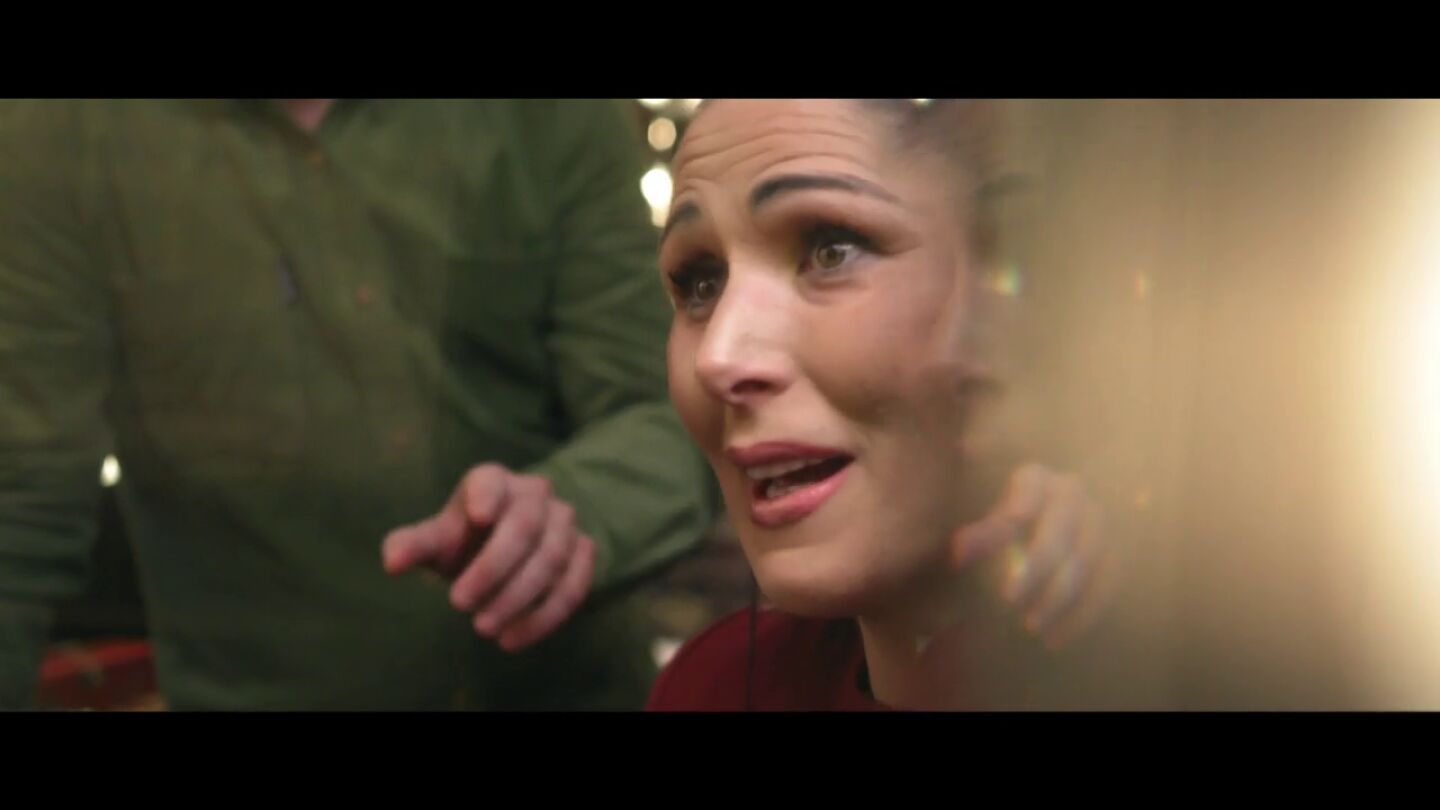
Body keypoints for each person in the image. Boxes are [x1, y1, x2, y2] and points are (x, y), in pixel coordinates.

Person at [0, 99, 718, 711]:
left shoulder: (544, 116)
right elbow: (20, 496)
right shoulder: (63, 133)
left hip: (566, 689)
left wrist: (574, 511)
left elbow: (669, 407)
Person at [646, 99, 1116, 711]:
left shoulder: (1195, 662)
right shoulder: (711, 687)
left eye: (830, 250)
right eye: (702, 283)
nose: (718, 359)